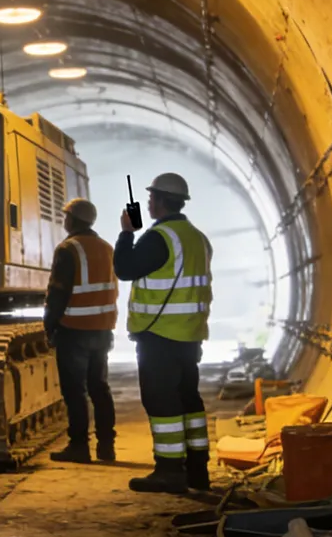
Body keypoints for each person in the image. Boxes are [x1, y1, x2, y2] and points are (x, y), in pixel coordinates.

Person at [115, 172, 213, 494]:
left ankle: (169, 470)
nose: (147, 202)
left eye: (150, 198)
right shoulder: (197, 237)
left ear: (157, 201)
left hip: (159, 333)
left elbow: (126, 269)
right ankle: (197, 471)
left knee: (161, 400)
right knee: (188, 399)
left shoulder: (161, 237)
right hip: (189, 334)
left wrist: (127, 233)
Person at [43, 198, 118, 464]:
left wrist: (49, 326)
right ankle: (107, 447)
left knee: (75, 391)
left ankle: (79, 447)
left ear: (72, 220)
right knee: (100, 388)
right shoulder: (107, 248)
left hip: (74, 330)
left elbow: (58, 293)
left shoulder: (68, 249)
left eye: (66, 216)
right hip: (102, 330)